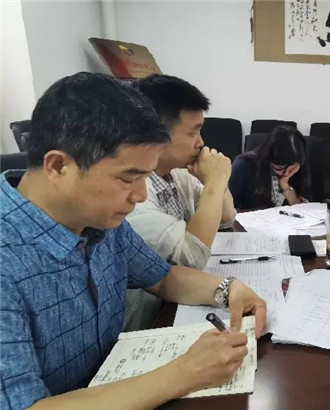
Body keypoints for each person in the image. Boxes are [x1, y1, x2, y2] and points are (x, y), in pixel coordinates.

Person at [0, 73, 266, 409]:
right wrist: (185, 372)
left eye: (145, 177)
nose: (140, 196)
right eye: (128, 178)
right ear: (58, 166)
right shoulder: (8, 259)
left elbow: (164, 278)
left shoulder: (100, 222)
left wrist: (228, 289)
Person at [127, 74, 236, 269]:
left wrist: (217, 181)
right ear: (156, 134)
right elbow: (190, 259)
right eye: (192, 133)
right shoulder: (133, 194)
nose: (201, 142)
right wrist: (215, 183)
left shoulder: (180, 173)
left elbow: (225, 219)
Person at [229, 125, 311, 208]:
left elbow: (302, 210)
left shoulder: (298, 165)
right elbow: (229, 209)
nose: (286, 173)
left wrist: (285, 185)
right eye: (279, 168)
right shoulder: (243, 165)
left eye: (291, 168)